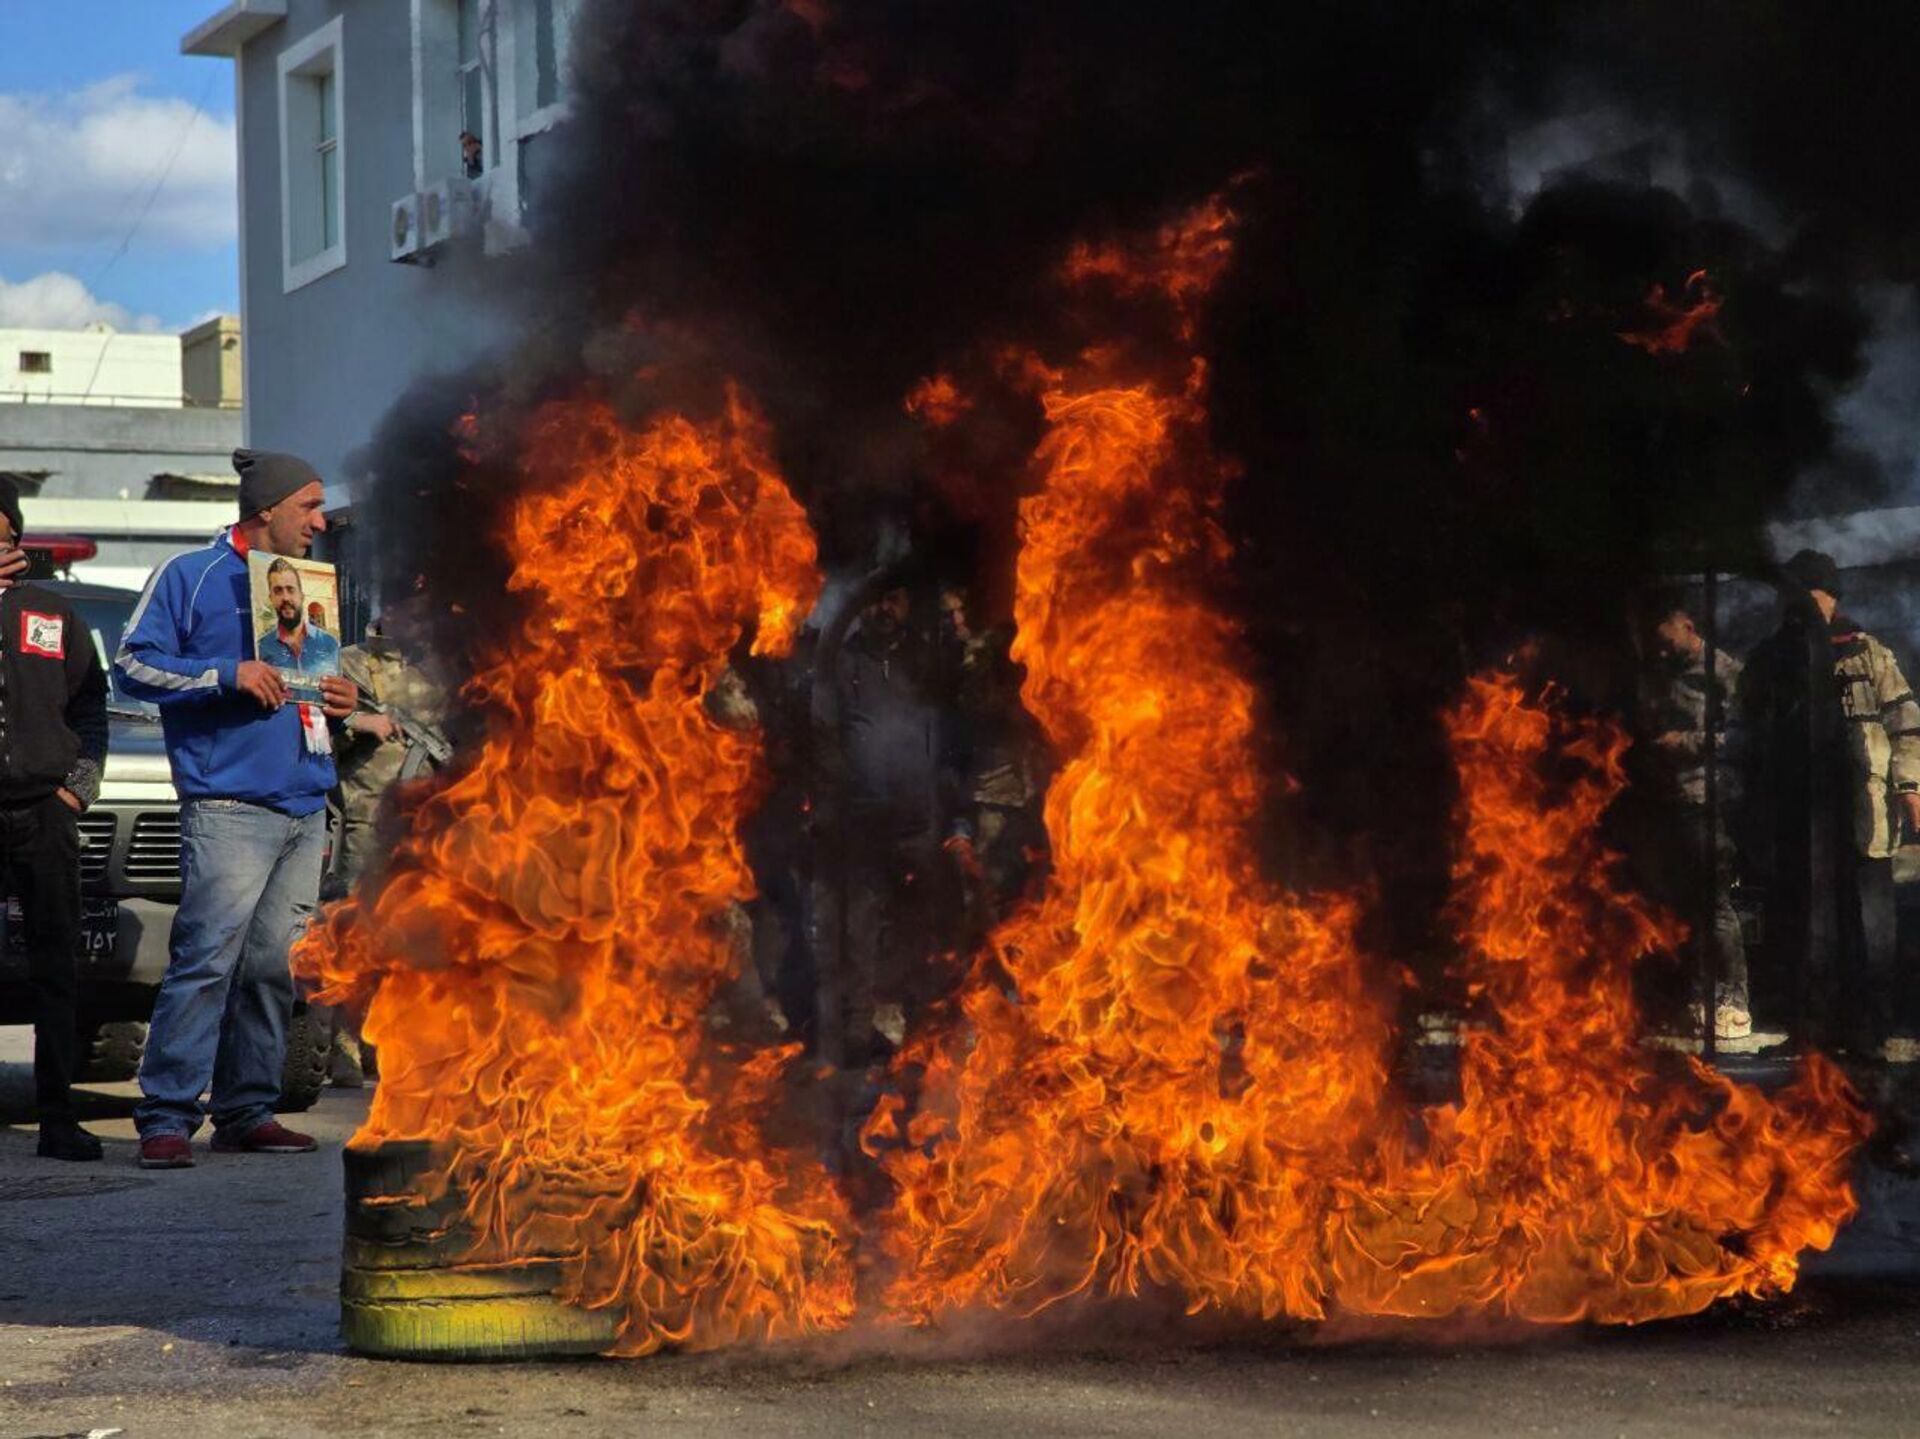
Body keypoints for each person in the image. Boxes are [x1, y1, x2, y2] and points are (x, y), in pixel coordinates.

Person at [115, 448, 358, 1169]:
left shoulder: (311, 588)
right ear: (266, 511)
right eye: (309, 506)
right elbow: (133, 664)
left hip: (304, 802)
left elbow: (311, 686)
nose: (321, 520)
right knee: (207, 960)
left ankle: (247, 1108)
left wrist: (339, 701)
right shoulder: (190, 575)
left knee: (272, 968)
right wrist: (227, 672)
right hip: (229, 806)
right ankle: (165, 1113)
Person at [1738, 549, 1920, 1057]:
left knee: (1869, 929)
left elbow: (1908, 727)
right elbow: (1745, 734)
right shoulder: (1769, 659)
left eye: (1803, 593)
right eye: (1786, 594)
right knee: (1797, 924)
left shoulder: (1868, 655)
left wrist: (1911, 790)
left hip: (1862, 819)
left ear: (1829, 596)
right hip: (1796, 820)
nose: (1792, 604)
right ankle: (1809, 1032)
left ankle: (1866, 1035)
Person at [0, 477, 109, 1161]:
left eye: (3, 533)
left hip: (46, 810)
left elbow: (92, 707)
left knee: (56, 967)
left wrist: (79, 787)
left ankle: (58, 1116)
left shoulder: (52, 613)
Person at [831, 584, 969, 1063]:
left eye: (893, 598)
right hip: (862, 823)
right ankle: (853, 1036)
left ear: (907, 604)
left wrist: (952, 811)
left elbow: (952, 735)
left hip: (918, 819)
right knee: (858, 933)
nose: (883, 608)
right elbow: (821, 737)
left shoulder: (924, 662)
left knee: (923, 928)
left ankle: (923, 1033)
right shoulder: (842, 664)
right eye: (874, 599)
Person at [1636, 596, 1749, 1040]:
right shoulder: (1660, 675)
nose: (1661, 652)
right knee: (1680, 909)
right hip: (1668, 802)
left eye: (1666, 641)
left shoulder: (1724, 673)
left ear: (1685, 623)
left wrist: (1681, 742)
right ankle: (1695, 996)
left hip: (1708, 799)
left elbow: (1740, 736)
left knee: (1714, 904)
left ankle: (1734, 1000)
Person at [255, 558, 341, 681]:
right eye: (278, 591)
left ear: (301, 596)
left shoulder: (330, 644)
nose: (285, 597)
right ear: (271, 598)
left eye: (290, 589)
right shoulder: (262, 647)